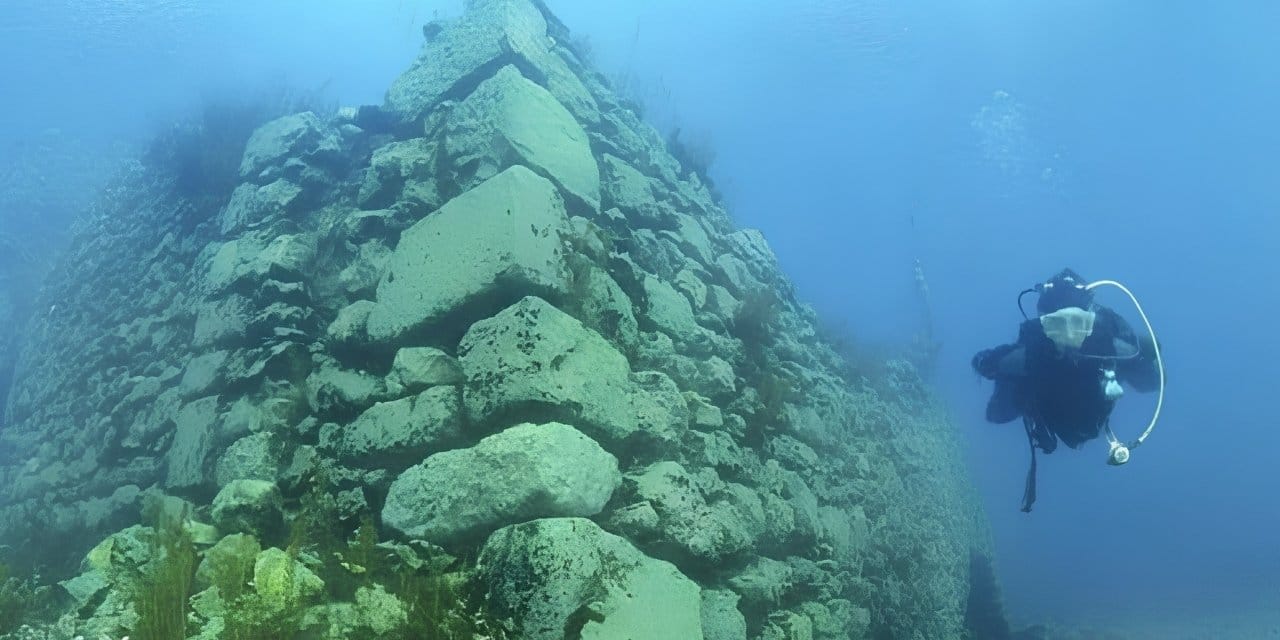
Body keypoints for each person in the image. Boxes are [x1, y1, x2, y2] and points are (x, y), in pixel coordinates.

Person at [972, 268, 1163, 511]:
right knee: (1005, 403)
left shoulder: (1105, 348)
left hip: (1071, 415)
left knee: (1006, 402)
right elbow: (992, 396)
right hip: (1060, 415)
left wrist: (1142, 357)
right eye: (1058, 324)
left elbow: (1153, 382)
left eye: (1078, 323)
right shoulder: (1039, 354)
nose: (1070, 334)